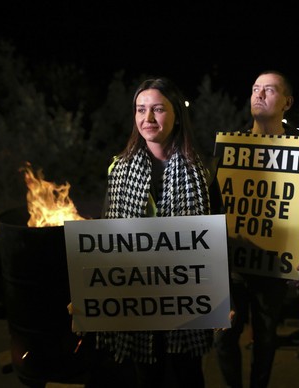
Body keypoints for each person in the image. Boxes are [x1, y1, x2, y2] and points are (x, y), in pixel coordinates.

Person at [87, 76, 223, 388]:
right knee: (144, 377)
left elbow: (215, 243)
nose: (147, 118)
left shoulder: (204, 173)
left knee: (187, 375)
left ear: (176, 115)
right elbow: (107, 238)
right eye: (140, 109)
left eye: (158, 109)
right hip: (135, 299)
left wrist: (223, 299)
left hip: (185, 302)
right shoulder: (118, 170)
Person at [214, 70, 299, 388]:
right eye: (254, 89)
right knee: (223, 336)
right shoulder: (231, 147)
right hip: (231, 264)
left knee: (265, 339)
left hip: (273, 266)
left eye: (269, 89)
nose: (259, 94)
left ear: (287, 102)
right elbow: (215, 203)